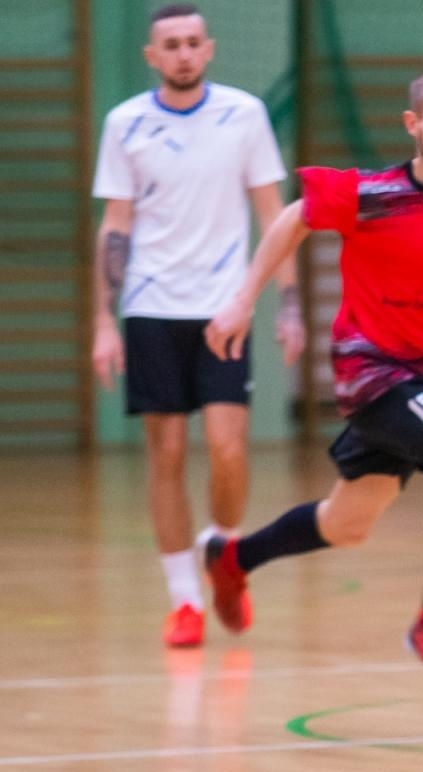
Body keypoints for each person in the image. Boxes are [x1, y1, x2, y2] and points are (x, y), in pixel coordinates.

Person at [201, 66, 423, 683]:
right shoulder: (373, 194)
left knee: (346, 525)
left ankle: (234, 558)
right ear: (414, 125)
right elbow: (293, 217)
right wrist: (244, 299)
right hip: (371, 370)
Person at [91, 2, 303, 649]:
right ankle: (184, 601)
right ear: (152, 56)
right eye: (171, 45)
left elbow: (274, 215)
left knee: (229, 448)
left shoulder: (244, 115)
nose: (183, 53)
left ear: (208, 49)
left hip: (223, 308)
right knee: (168, 454)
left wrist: (289, 303)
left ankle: (223, 551)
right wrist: (103, 321)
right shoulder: (125, 123)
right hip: (150, 306)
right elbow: (116, 226)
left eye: (192, 43)